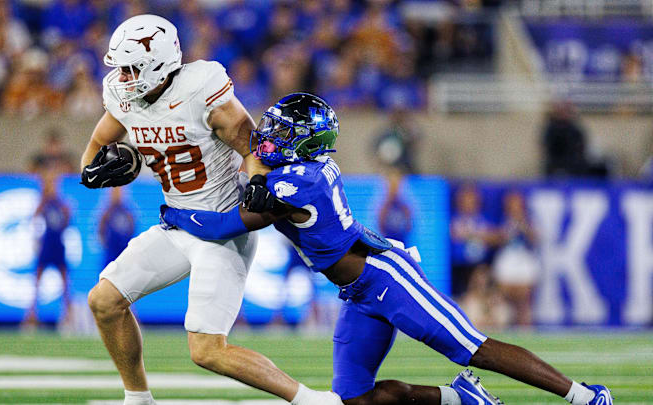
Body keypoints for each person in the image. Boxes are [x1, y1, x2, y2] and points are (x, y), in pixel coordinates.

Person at [160, 92, 614, 405]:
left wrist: (175, 211)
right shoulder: (306, 169)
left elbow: (223, 225)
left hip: (385, 278)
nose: (268, 136)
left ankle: (584, 395)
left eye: (281, 131)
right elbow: (257, 173)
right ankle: (458, 398)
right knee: (356, 399)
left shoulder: (299, 183)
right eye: (272, 127)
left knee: (473, 348)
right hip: (357, 292)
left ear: (305, 141)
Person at [79, 15, 341, 405]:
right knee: (104, 301)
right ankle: (137, 399)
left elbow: (251, 145)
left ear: (159, 64)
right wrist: (92, 170)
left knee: (206, 350)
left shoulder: (201, 88)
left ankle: (311, 400)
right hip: (177, 223)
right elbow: (99, 141)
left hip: (222, 229)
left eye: (133, 68)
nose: (125, 77)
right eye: (122, 68)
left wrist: (256, 182)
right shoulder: (122, 95)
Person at [23, 169, 71, 329]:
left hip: (58, 245)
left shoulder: (61, 203)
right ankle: (31, 315)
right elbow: (35, 217)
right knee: (37, 282)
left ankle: (68, 316)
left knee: (65, 283)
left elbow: (67, 220)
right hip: (47, 244)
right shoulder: (44, 202)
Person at [491, 191, 539, 327]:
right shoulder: (501, 219)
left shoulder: (529, 220)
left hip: (524, 259)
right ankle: (504, 327)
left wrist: (523, 226)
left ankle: (525, 328)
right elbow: (494, 238)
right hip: (507, 259)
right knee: (502, 297)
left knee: (524, 300)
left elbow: (535, 238)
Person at [98, 187, 136, 267]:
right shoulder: (107, 212)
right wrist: (104, 242)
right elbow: (101, 229)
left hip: (123, 247)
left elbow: (132, 228)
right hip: (111, 248)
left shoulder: (127, 211)